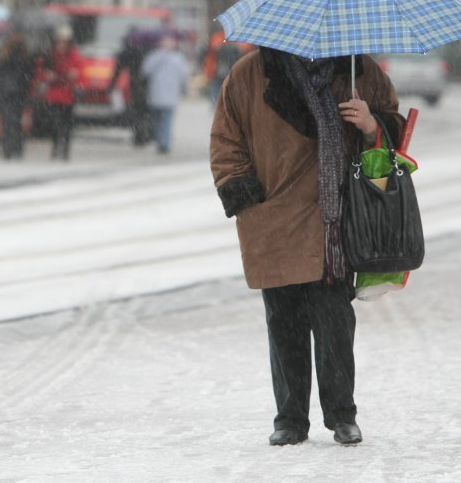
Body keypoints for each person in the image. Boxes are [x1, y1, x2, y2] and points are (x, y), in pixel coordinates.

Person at [209, 47, 405, 446]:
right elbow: (225, 141)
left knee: (334, 320)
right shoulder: (251, 72)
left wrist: (372, 124)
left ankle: (341, 415)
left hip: (335, 221)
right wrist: (247, 196)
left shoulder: (357, 68)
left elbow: (395, 128)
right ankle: (290, 419)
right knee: (284, 321)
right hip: (273, 214)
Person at [141, 34, 189, 154]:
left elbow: (183, 74)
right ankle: (161, 141)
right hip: (158, 92)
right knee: (158, 119)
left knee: (166, 118)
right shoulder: (155, 56)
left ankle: (164, 143)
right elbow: (146, 70)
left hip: (169, 93)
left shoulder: (177, 58)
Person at [108, 27, 155, 146]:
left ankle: (139, 135)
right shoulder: (149, 50)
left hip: (135, 85)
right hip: (150, 85)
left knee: (137, 111)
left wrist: (112, 85)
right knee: (147, 111)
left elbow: (118, 69)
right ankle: (148, 134)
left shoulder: (128, 50)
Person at [41, 24, 82, 160]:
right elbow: (43, 70)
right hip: (55, 94)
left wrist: (72, 75)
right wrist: (48, 75)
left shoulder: (73, 54)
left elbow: (77, 71)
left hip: (67, 95)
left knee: (66, 124)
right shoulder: (51, 54)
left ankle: (65, 150)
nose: (61, 44)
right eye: (60, 41)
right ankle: (55, 147)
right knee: (55, 123)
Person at [0, 31, 33, 159]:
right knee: (12, 121)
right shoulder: (15, 55)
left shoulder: (20, 56)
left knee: (12, 121)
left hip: (14, 92)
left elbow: (28, 74)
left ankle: (12, 148)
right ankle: (12, 148)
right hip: (12, 91)